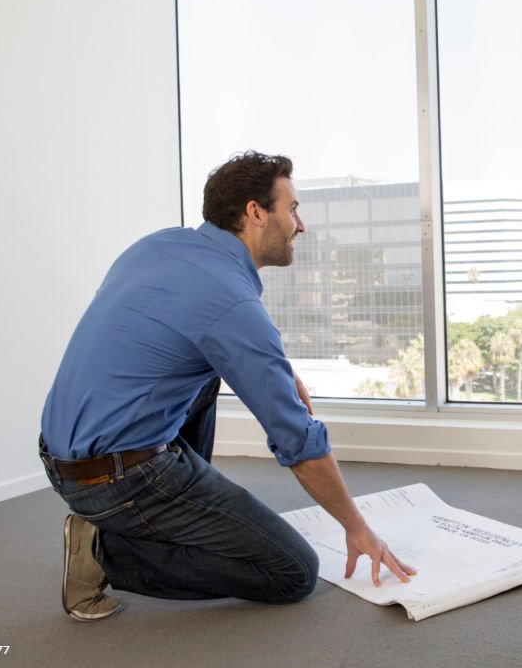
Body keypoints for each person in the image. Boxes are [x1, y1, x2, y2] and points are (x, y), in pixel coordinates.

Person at [39, 151, 415, 621]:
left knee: (206, 367)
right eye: (292, 208)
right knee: (293, 571)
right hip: (117, 478)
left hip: (63, 457)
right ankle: (107, 550)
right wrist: (358, 529)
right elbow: (299, 442)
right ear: (256, 213)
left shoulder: (157, 246)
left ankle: (172, 506)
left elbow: (156, 339)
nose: (301, 224)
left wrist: (278, 369)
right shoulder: (230, 302)